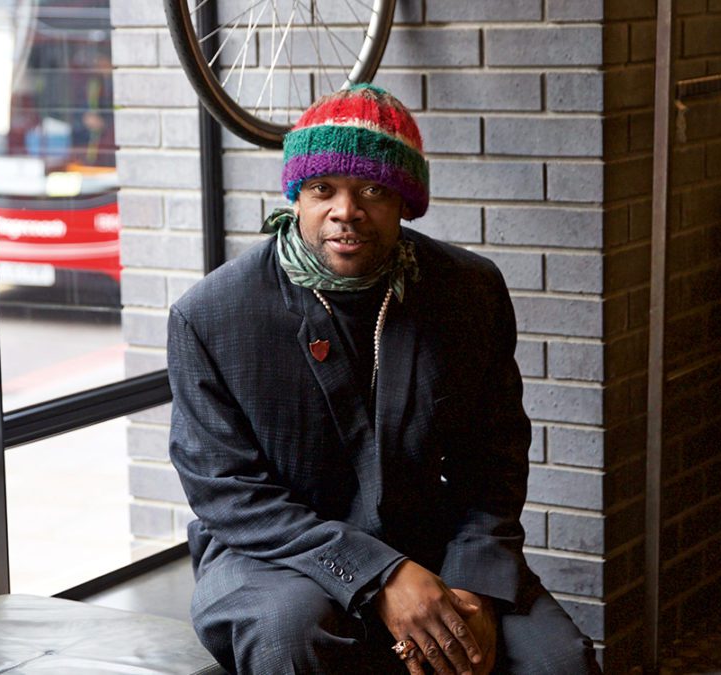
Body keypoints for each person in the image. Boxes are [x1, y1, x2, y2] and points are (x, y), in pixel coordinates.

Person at [167, 84, 600, 674]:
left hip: (433, 542)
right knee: (288, 632)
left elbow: (494, 461)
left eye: (371, 189)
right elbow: (228, 493)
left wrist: (471, 586)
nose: (345, 210)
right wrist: (380, 575)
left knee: (558, 662)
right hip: (273, 556)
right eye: (323, 189)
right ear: (297, 197)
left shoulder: (467, 289)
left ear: (405, 202)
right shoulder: (211, 315)